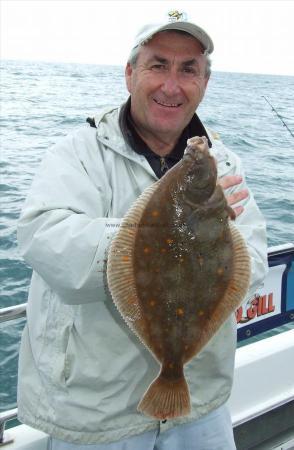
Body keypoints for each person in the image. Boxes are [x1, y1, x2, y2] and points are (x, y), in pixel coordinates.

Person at [17, 12, 268, 450]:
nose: (172, 85)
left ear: (205, 83)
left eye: (188, 69)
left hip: (200, 403)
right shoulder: (76, 153)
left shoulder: (222, 164)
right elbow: (47, 242)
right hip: (98, 414)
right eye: (158, 65)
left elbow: (256, 262)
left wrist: (204, 242)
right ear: (130, 73)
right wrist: (162, 232)